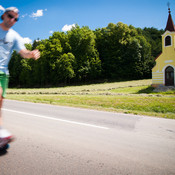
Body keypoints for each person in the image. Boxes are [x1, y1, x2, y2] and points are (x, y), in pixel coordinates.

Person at [0, 7, 40, 148]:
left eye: (16, 19)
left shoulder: (15, 36)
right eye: (10, 16)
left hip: (4, 74)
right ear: (4, 15)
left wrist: (30, 54)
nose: (12, 20)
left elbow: (23, 52)